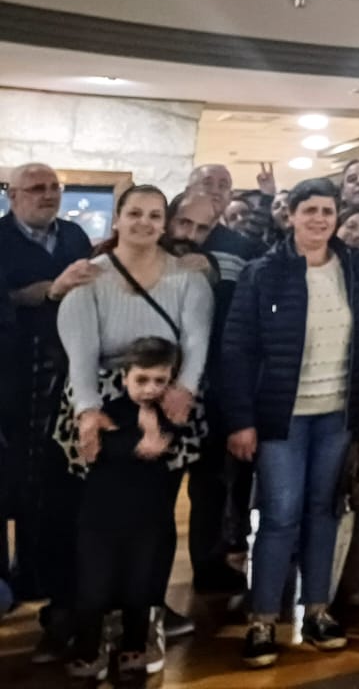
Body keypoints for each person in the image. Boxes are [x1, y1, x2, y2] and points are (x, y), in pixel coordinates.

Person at [220, 178, 359, 669]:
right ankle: (263, 618)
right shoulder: (262, 274)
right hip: (281, 418)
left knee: (325, 513)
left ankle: (317, 610)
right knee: (279, 518)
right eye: (309, 210)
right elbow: (237, 349)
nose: (319, 219)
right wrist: (241, 420)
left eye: (327, 211)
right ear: (290, 215)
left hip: (337, 413)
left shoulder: (357, 270)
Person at [58, 185, 213, 674]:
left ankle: (142, 621)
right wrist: (87, 411)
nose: (145, 223)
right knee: (99, 519)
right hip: (103, 402)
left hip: (167, 395)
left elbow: (197, 337)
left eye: (155, 215)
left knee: (156, 517)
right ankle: (93, 620)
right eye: (135, 213)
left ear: (165, 223)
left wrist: (182, 391)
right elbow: (79, 352)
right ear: (118, 219)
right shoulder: (89, 277)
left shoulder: (188, 277)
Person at [0, 162, 95, 645]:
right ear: (12, 194)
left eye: (54, 187)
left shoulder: (75, 237)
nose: (47, 195)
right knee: (7, 478)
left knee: (52, 479)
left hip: (65, 375)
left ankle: (42, 572)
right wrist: (47, 292)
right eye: (36, 188)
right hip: (9, 376)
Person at [67, 337, 186, 683]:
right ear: (124, 378)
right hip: (99, 521)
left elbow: (166, 442)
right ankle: (88, 649)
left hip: (146, 520)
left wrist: (141, 438)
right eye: (142, 380)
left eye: (159, 381)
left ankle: (134, 645)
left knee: (140, 585)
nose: (150, 389)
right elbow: (99, 450)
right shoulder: (105, 412)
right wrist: (137, 443)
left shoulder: (170, 418)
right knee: (93, 587)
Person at [164, 190, 251, 594]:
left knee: (211, 487)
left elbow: (234, 322)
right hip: (152, 392)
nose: (193, 234)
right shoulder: (146, 254)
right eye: (185, 223)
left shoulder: (224, 257)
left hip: (209, 390)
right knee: (155, 496)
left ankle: (209, 565)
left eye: (204, 227)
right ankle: (146, 588)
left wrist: (213, 272)